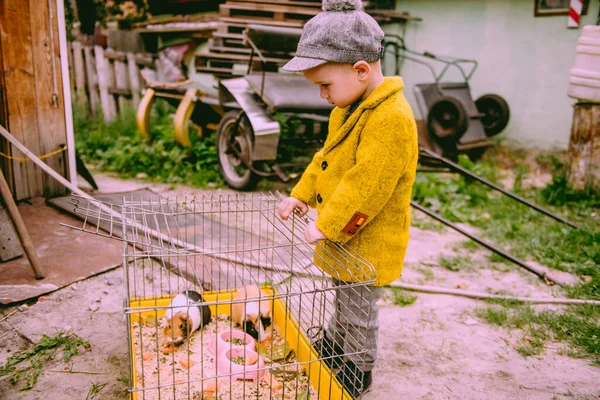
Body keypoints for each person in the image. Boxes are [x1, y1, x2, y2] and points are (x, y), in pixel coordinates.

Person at [277, 0, 418, 397]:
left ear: (360, 70)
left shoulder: (391, 118)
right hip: (343, 238)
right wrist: (302, 195)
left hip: (366, 240)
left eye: (325, 84)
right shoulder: (348, 106)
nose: (322, 94)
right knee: (342, 297)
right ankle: (337, 347)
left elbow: (367, 186)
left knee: (358, 308)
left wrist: (327, 223)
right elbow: (327, 160)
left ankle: (359, 367)